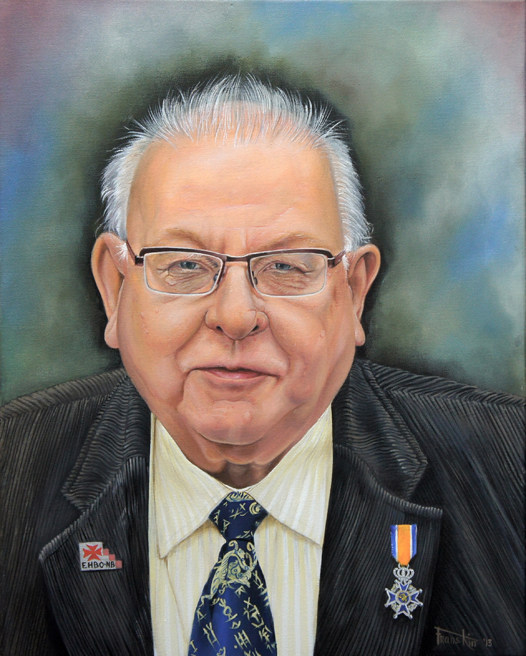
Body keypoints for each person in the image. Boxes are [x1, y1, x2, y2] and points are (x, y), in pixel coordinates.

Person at [1, 75, 524, 656]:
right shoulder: (10, 471)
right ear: (115, 288)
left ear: (353, 292)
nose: (235, 316)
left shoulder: (511, 471)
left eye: (286, 266)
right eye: (185, 265)